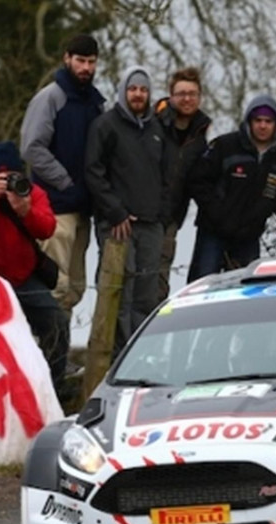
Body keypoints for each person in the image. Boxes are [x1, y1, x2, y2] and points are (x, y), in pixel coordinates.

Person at [0, 141, 67, 395]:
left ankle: (54, 388)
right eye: (0, 177)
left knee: (56, 322)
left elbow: (47, 228)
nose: (7, 181)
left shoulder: (31, 192)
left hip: (23, 277)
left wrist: (26, 211)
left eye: (12, 176)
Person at [84, 65, 168, 353]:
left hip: (151, 224)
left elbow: (167, 174)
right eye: (133, 89)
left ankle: (141, 355)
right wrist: (115, 211)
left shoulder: (158, 129)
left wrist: (162, 213)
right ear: (123, 91)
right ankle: (115, 356)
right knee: (120, 294)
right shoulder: (105, 126)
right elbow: (93, 172)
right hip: (118, 224)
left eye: (143, 90)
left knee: (146, 296)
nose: (138, 94)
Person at [20, 34, 106, 314]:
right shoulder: (50, 98)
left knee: (74, 289)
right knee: (53, 287)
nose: (86, 68)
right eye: (80, 61)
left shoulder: (96, 103)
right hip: (54, 209)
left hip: (83, 208)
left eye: (91, 62)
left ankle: (60, 352)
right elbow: (32, 148)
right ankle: (45, 354)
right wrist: (66, 183)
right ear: (67, 58)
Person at [187, 94, 276, 281]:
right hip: (213, 232)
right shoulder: (225, 145)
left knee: (244, 287)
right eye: (258, 120)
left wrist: (266, 208)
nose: (263, 126)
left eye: (268, 121)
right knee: (202, 284)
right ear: (249, 121)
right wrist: (216, 211)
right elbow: (198, 181)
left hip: (249, 236)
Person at [154, 67, 212, 301]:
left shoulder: (200, 138)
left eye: (192, 94)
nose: (187, 99)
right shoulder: (152, 125)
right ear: (171, 96)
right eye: (181, 94)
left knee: (159, 281)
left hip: (171, 220)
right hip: (141, 214)